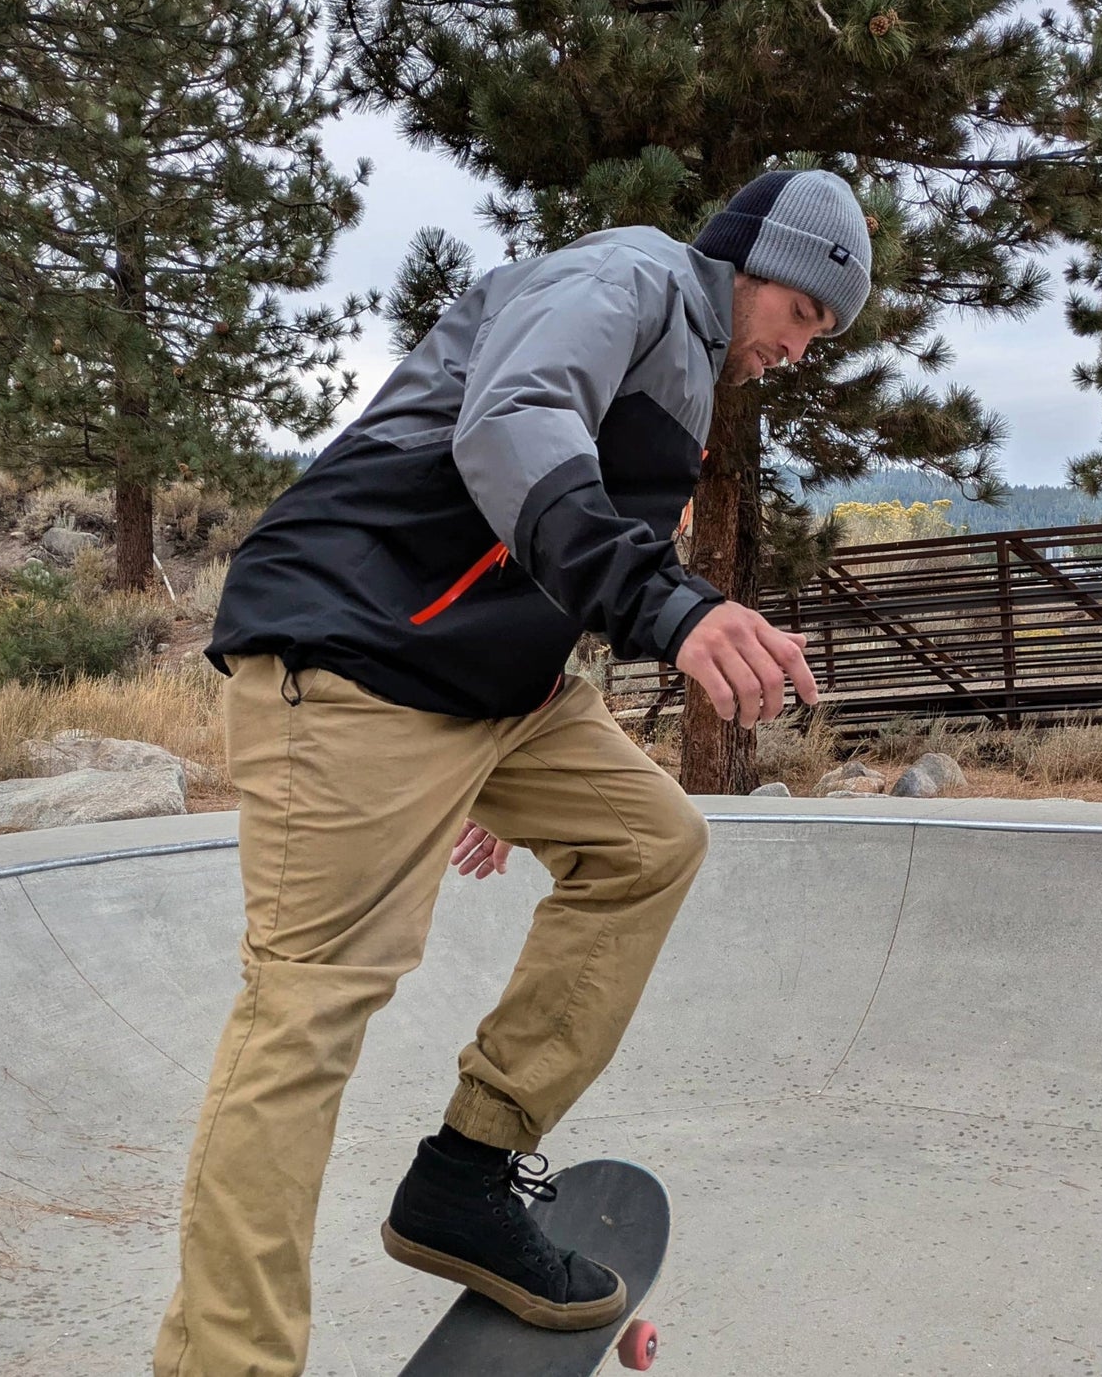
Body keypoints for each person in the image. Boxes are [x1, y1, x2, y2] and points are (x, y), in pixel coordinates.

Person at [154, 168, 872, 1377]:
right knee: (306, 1009)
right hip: (355, 651)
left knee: (649, 842)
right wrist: (673, 608)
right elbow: (511, 426)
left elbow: (540, 550)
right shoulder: (629, 278)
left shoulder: (686, 367)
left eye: (821, 337)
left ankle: (466, 1172)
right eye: (802, 315)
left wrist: (497, 747)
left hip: (483, 691)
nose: (800, 350)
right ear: (754, 264)